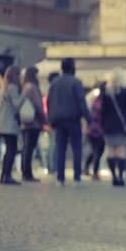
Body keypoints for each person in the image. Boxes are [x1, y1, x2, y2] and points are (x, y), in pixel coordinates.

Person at [48, 58, 91, 186]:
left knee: (60, 149)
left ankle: (60, 178)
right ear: (73, 67)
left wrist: (50, 118)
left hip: (58, 120)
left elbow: (50, 101)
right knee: (76, 148)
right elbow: (81, 102)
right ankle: (77, 177)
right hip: (73, 119)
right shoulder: (76, 82)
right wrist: (88, 118)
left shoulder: (55, 83)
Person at [101, 70, 126, 187]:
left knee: (111, 151)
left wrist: (102, 124)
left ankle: (114, 176)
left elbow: (102, 110)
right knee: (121, 151)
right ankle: (121, 176)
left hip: (108, 125)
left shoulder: (105, 92)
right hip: (122, 125)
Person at [0, 66, 25, 185]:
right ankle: (7, 175)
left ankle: (4, 175)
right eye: (18, 74)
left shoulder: (4, 87)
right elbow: (16, 104)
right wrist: (24, 95)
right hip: (9, 124)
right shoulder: (12, 88)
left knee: (9, 149)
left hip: (2, 123)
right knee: (11, 150)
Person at [20, 66, 45, 182]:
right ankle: (27, 173)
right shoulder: (33, 87)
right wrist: (44, 118)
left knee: (26, 148)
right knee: (29, 149)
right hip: (33, 122)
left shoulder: (25, 86)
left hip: (25, 121)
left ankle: (25, 172)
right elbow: (38, 105)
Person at [84, 86, 105, 180]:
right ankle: (95, 172)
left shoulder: (94, 100)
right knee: (98, 151)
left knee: (95, 150)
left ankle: (87, 168)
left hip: (92, 129)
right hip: (99, 130)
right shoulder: (102, 102)